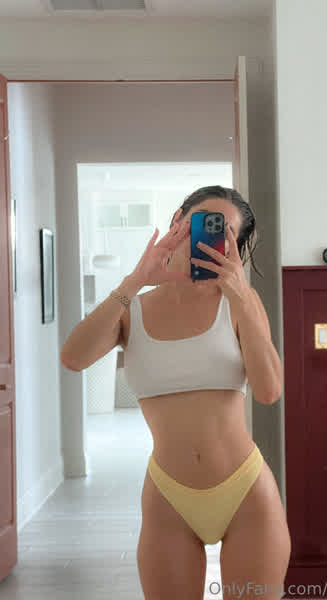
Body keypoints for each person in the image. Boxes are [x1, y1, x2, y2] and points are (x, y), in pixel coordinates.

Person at [60, 185, 291, 600]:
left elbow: (270, 390)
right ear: (177, 221)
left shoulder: (241, 302)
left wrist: (240, 297)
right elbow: (74, 357)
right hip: (168, 497)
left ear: (234, 245)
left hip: (246, 493)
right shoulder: (132, 309)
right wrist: (135, 280)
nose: (209, 236)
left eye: (224, 232)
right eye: (202, 222)